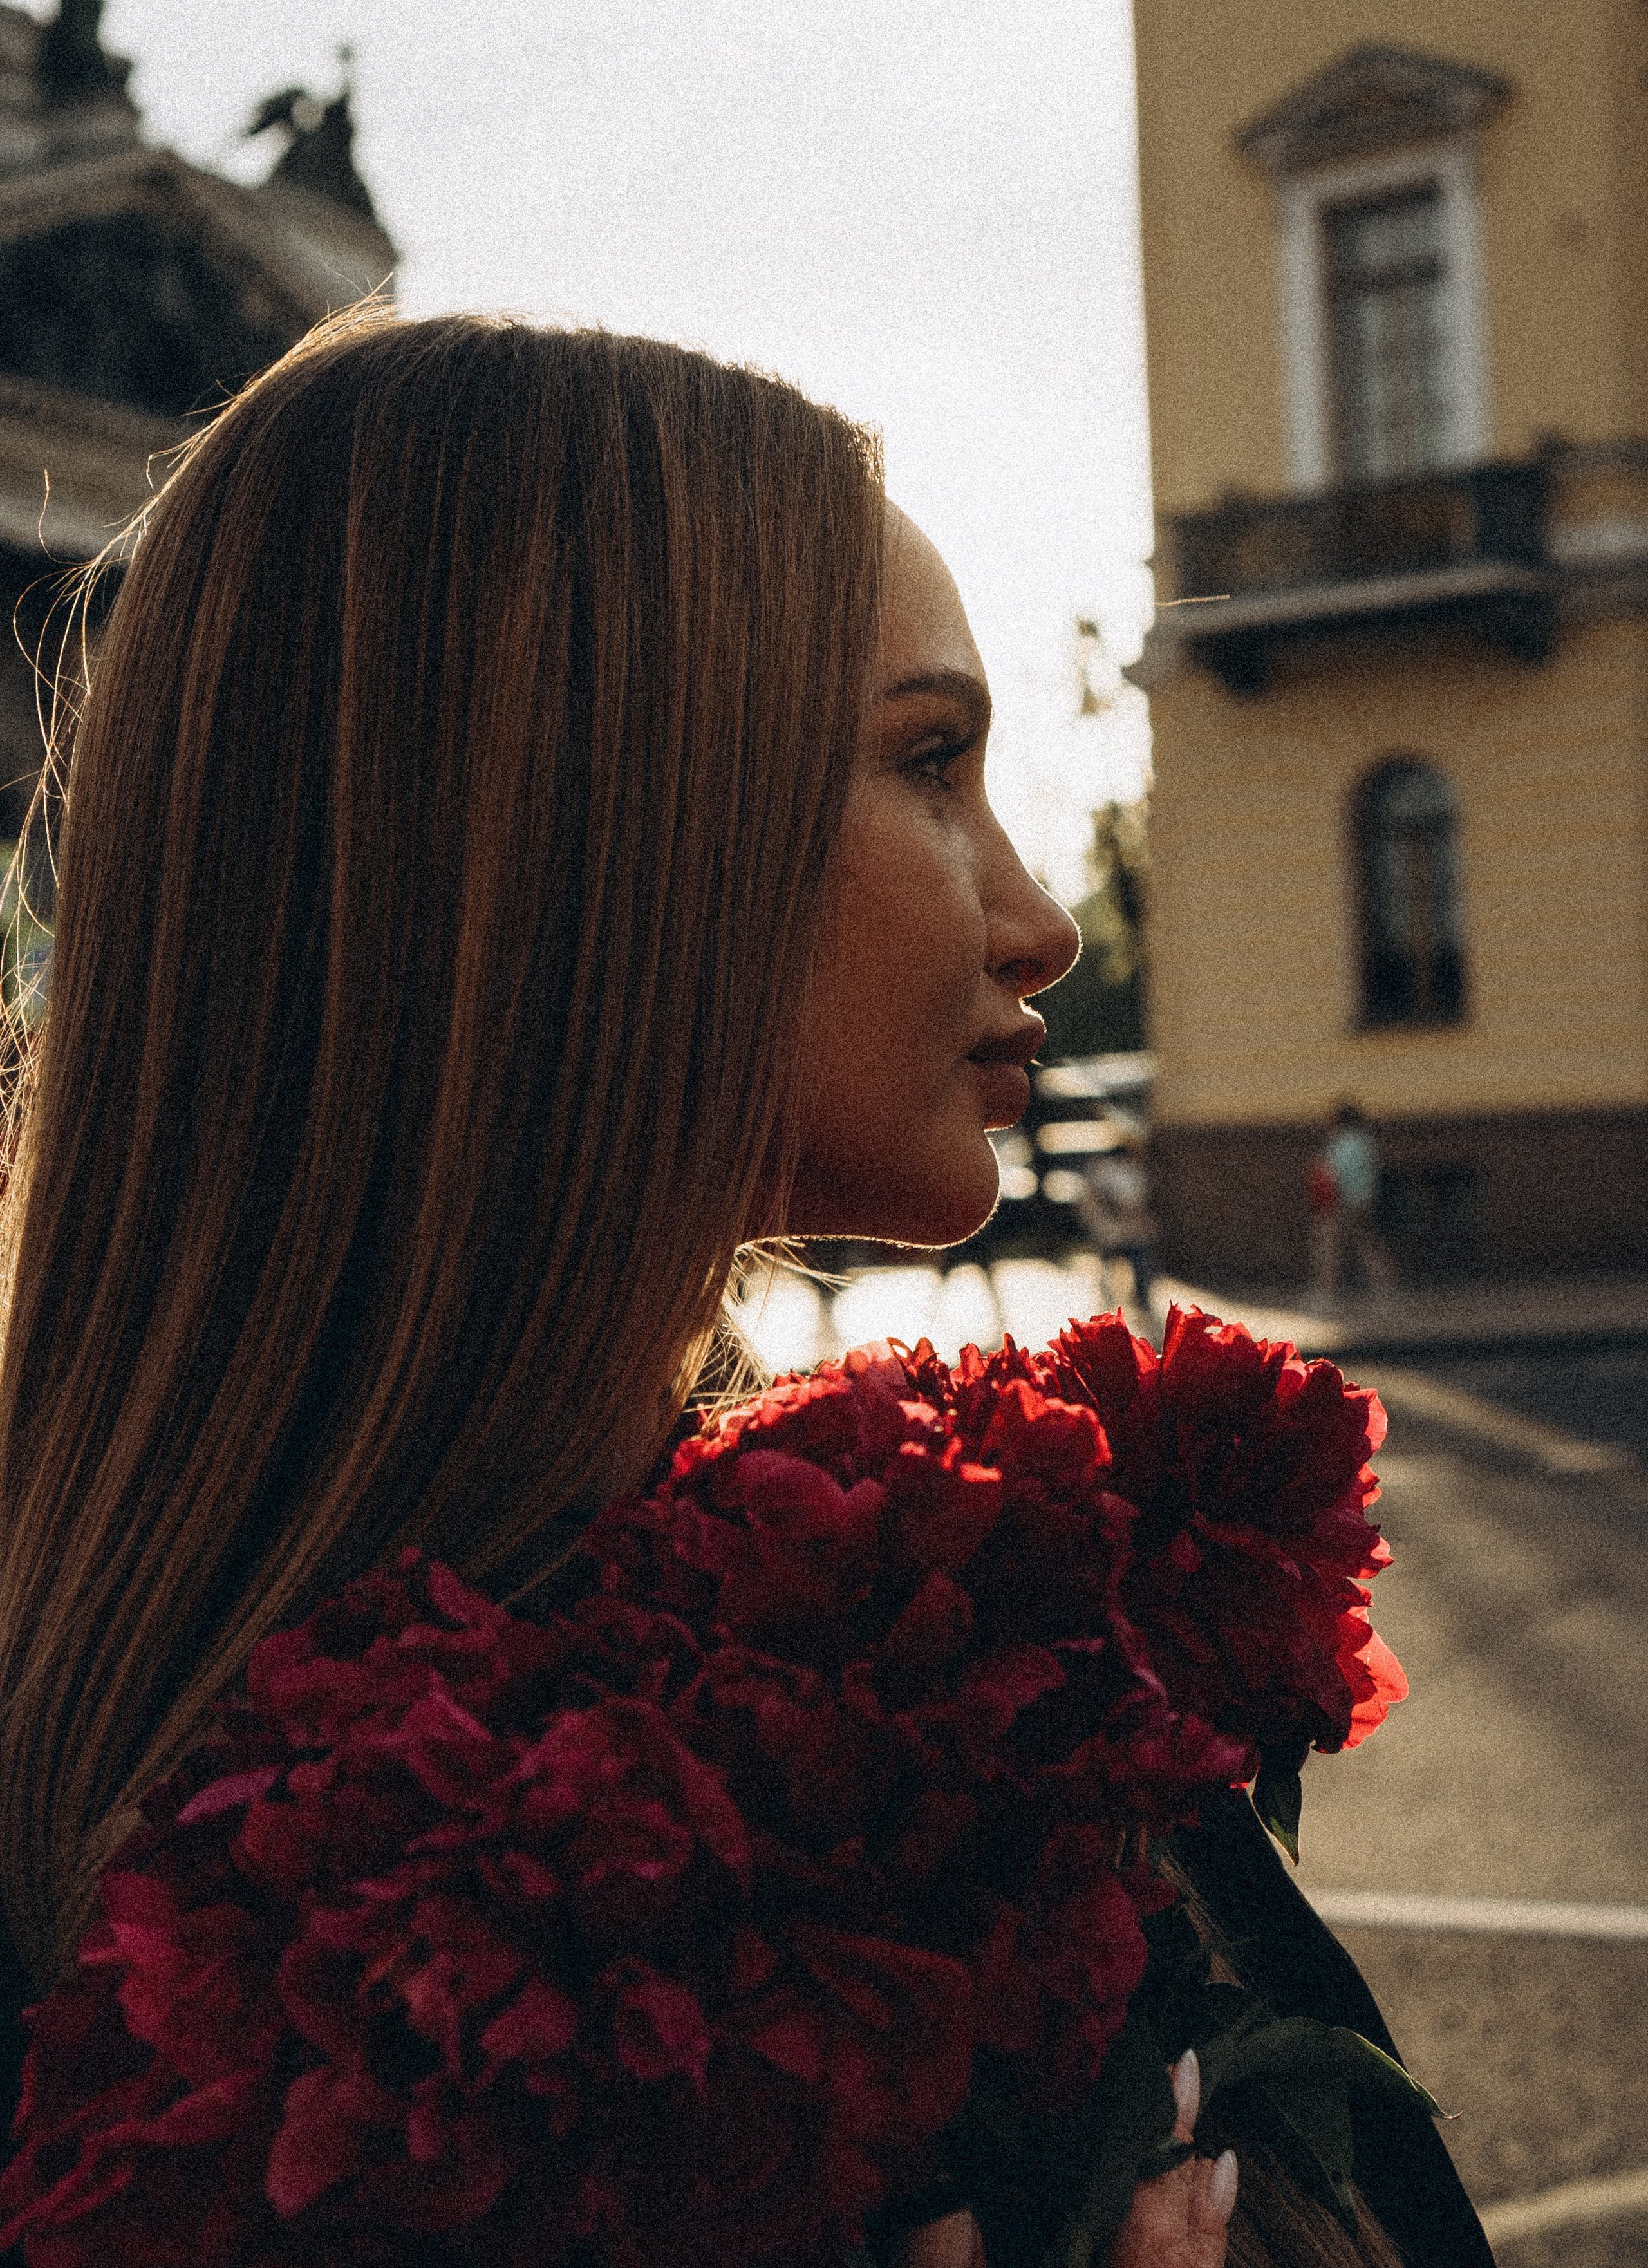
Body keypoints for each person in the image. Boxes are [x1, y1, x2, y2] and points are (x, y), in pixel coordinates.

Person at [0, 310, 1483, 2265]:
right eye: (931, 763)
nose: (1038, 922)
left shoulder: (154, 1746)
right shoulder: (849, 1736)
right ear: (581, 840)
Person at [1306, 1103, 1398, 1309]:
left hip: (1340, 1202)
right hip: (1364, 1201)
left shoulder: (1341, 1143)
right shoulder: (1365, 1141)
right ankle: (1385, 1288)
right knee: (1366, 1244)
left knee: (1329, 1247)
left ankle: (1325, 1292)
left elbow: (1331, 1173)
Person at [1077, 1130, 1159, 1328]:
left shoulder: (1136, 1169)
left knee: (1141, 1268)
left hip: (1132, 1231)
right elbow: (1093, 1204)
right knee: (1108, 1273)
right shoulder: (1102, 1171)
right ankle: (1106, 1313)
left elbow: (1141, 1201)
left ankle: (1141, 1304)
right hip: (1111, 1231)